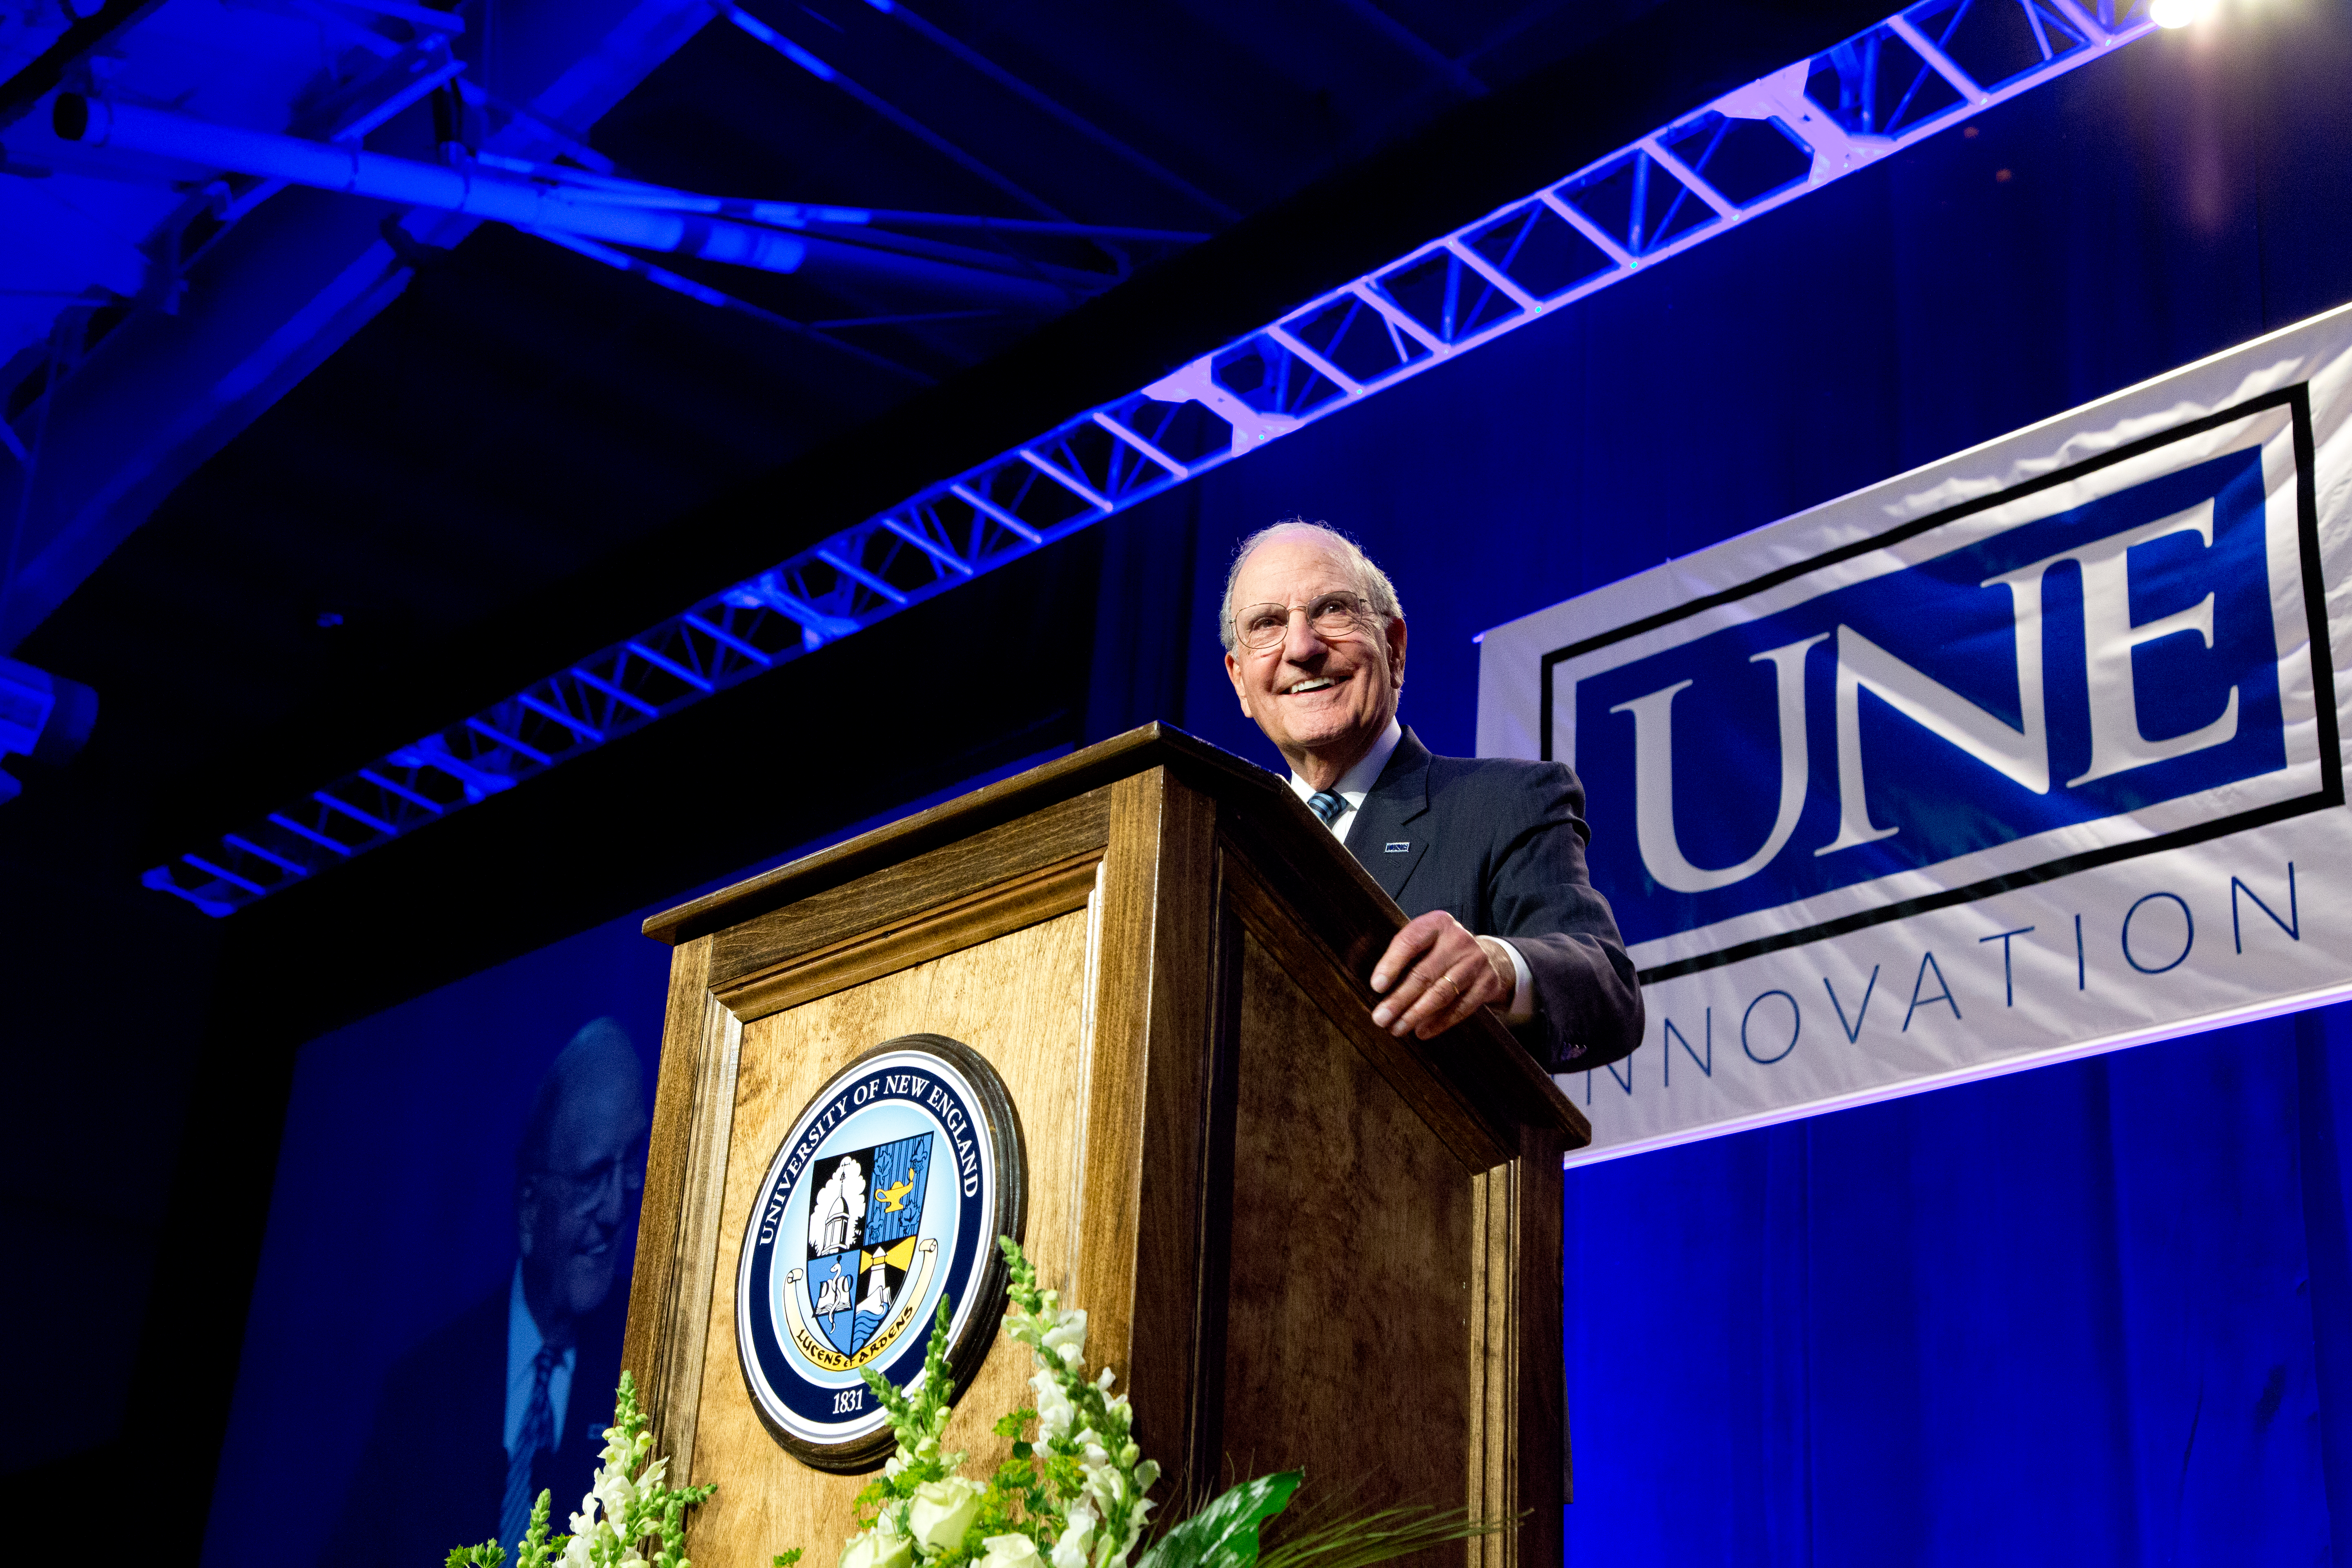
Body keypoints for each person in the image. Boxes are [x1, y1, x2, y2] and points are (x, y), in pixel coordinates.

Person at [1221, 519, 1642, 1070]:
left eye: (1332, 610)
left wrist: (1500, 966)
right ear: (1240, 683)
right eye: (1268, 624)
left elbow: (1610, 992)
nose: (1301, 647)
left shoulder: (1507, 802)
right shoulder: (1224, 846)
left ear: (1394, 650)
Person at [328, 1019, 650, 1566]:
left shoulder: (648, 1365)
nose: (617, 1210)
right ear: (529, 1207)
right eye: (593, 1176)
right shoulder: (421, 1391)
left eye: (630, 1168)